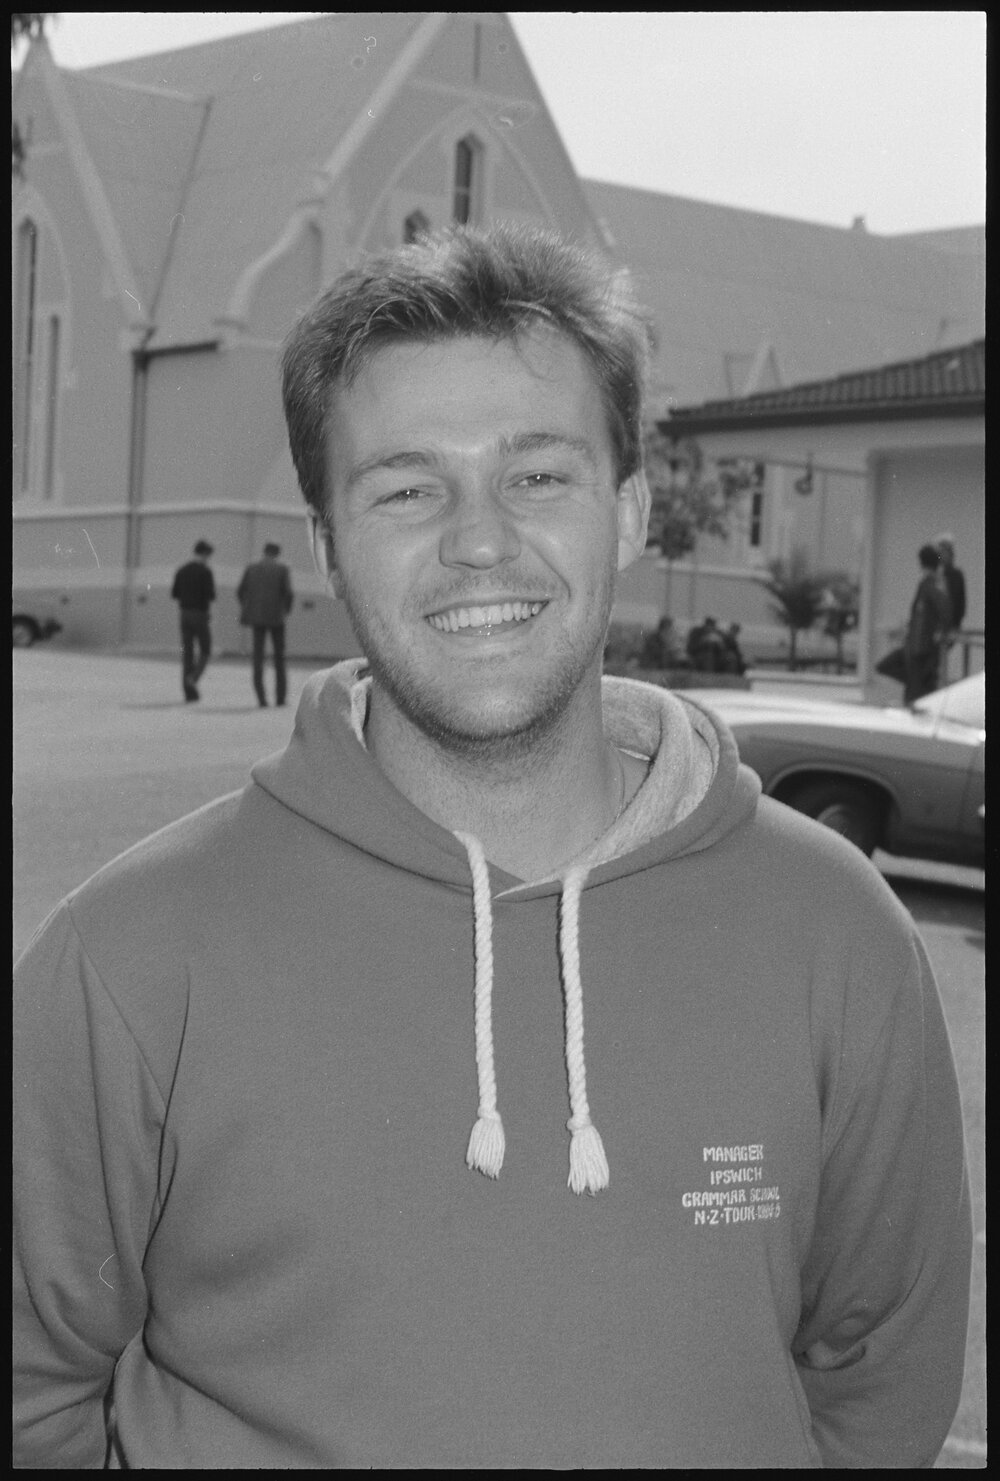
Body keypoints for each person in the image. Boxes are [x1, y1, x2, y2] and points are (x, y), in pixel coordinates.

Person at [14, 225, 971, 1469]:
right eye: (407, 486)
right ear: (324, 545)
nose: (478, 540)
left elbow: (876, 1383)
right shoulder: (126, 958)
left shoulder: (837, 928)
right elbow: (34, 1394)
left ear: (627, 511)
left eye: (537, 475)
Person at [236, 541, 294, 707]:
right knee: (279, 659)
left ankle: (261, 699)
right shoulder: (282, 569)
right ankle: (280, 699)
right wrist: (285, 611)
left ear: (264, 551)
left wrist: (250, 607)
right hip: (276, 618)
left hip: (256, 618)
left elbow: (240, 591)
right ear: (277, 553)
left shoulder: (252, 568)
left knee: (258, 658)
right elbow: (288, 594)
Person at [904, 543, 951, 704]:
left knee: (919, 691)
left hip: (922, 647)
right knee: (921, 688)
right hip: (921, 645)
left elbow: (943, 609)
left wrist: (939, 632)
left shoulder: (929, 586)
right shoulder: (930, 585)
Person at [170, 538, 216, 701]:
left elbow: (174, 593)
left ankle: (189, 693)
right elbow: (211, 595)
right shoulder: (205, 572)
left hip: (184, 613)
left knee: (187, 653)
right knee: (205, 650)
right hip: (200, 614)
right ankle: (193, 678)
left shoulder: (182, 570)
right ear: (204, 554)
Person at [935, 532, 967, 683]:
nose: (943, 556)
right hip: (936, 628)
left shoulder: (956, 574)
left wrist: (956, 625)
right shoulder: (936, 575)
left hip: (951, 628)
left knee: (949, 666)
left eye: (945, 552)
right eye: (941, 553)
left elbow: (961, 602)